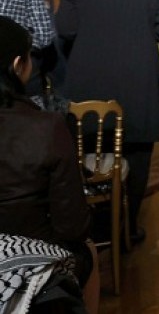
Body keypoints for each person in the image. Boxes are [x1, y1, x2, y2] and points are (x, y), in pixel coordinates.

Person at [56, 0, 159, 242]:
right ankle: (128, 228)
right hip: (138, 79)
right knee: (137, 154)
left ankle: (97, 226)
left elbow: (64, 28)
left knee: (90, 150)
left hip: (89, 83)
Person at [0, 16, 99, 313]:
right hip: (33, 251)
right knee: (89, 251)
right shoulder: (45, 126)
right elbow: (72, 225)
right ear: (19, 65)